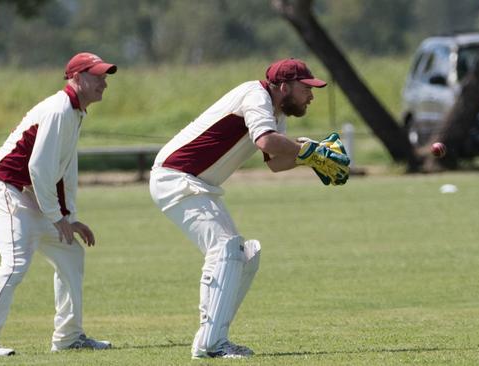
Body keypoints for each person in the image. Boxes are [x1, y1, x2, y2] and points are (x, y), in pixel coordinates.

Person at [149, 58, 349, 359]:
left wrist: (310, 158)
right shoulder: (255, 96)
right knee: (226, 248)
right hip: (176, 177)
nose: (311, 95)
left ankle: (214, 337)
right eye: (305, 88)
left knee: (246, 255)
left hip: (198, 184)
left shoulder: (276, 110)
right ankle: (211, 345)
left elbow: (276, 162)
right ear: (283, 87)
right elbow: (267, 140)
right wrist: (309, 151)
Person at [0, 52, 117, 357]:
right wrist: (56, 216)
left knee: (70, 253)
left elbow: (64, 170)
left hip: (29, 193)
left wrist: (68, 217)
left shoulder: (75, 112)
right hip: (6, 186)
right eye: (97, 75)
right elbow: (39, 169)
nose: (104, 82)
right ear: (75, 78)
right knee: (16, 262)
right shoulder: (60, 109)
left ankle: (69, 336)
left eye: (105, 75)